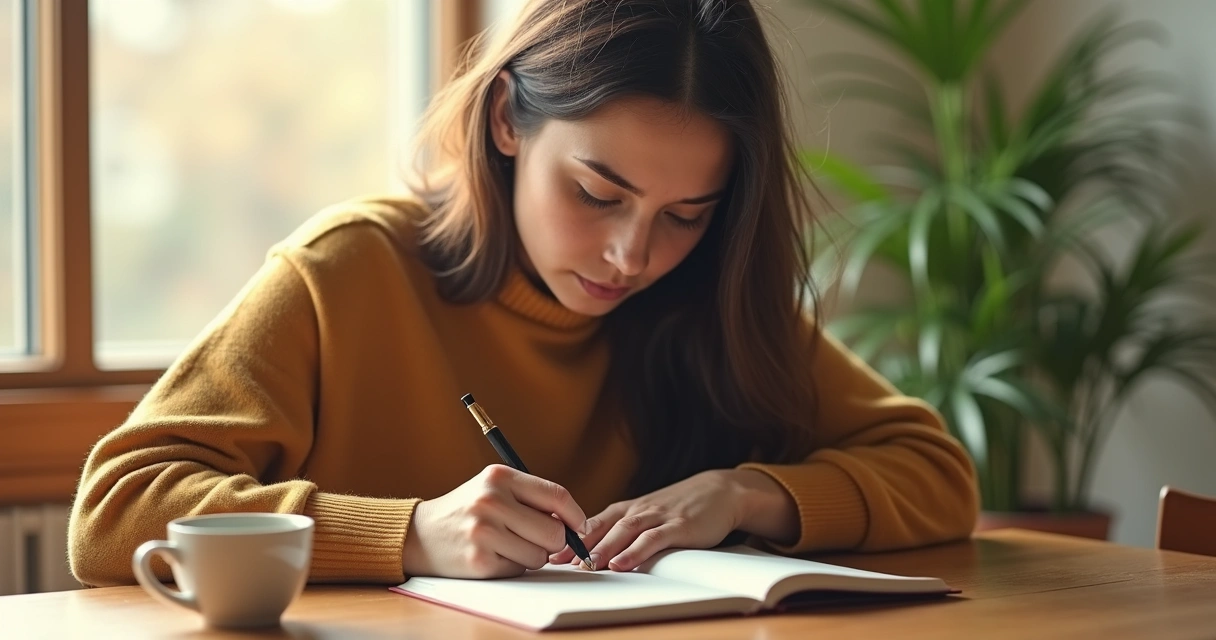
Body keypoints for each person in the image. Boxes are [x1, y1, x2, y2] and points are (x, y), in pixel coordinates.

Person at [67, 0, 978, 587]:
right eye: (597, 194)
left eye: (687, 213)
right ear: (506, 119)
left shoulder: (706, 293)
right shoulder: (347, 270)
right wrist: (412, 532)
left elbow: (937, 474)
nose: (632, 255)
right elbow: (116, 508)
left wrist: (744, 495)